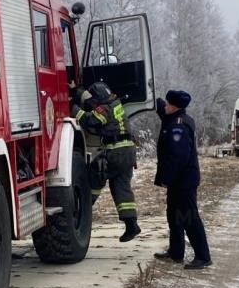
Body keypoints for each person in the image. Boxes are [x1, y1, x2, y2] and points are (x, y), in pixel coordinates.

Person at [71, 81, 141, 242]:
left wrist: (74, 109)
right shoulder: (115, 103)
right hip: (128, 151)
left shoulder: (106, 109)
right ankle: (132, 225)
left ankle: (86, 206)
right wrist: (76, 90)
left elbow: (91, 120)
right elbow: (92, 102)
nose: (95, 103)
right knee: (121, 187)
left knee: (96, 173)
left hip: (117, 150)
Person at [152, 90, 212, 270]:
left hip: (183, 180)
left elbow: (178, 157)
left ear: (175, 107)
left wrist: (166, 179)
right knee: (173, 215)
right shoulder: (176, 117)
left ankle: (203, 256)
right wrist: (148, 92)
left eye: (168, 104)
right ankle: (176, 252)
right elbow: (160, 107)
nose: (165, 106)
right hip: (178, 180)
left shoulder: (178, 126)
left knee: (189, 217)